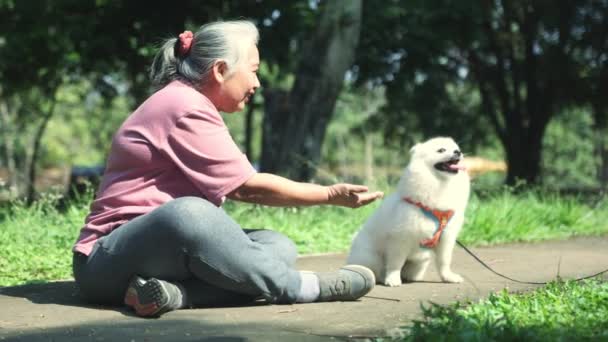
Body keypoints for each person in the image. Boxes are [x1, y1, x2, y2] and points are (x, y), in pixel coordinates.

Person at [72, 20, 384, 317]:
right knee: (190, 214)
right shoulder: (182, 105)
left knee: (277, 247)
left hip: (155, 260)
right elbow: (246, 187)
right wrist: (329, 194)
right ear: (221, 70)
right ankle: (303, 286)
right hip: (106, 262)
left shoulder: (191, 102)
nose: (257, 83)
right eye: (253, 71)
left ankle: (175, 295)